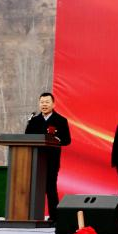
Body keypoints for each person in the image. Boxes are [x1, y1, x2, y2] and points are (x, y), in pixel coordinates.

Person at [24, 92, 71, 221]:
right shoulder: (34, 121)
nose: (44, 105)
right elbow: (26, 138)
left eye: (47, 102)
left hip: (52, 160)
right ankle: (32, 215)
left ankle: (54, 217)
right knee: (34, 187)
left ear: (53, 104)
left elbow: (67, 140)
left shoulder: (60, 120)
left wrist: (58, 139)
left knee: (50, 187)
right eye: (42, 102)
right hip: (35, 159)